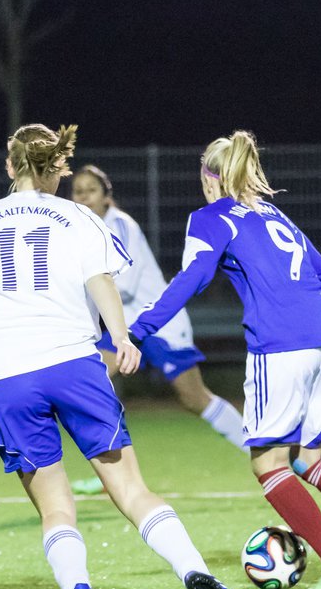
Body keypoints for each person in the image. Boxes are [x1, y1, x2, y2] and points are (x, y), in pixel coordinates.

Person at [0, 123, 258, 589]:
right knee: (132, 490)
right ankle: (194, 571)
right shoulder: (77, 217)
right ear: (58, 169)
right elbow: (102, 282)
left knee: (55, 503)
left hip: (4, 375)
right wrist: (122, 338)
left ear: (10, 166)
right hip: (72, 363)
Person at [130, 130, 321, 589]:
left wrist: (137, 330)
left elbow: (193, 278)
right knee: (308, 458)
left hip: (281, 348)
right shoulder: (276, 216)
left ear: (210, 180)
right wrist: (310, 330)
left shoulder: (211, 217)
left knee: (269, 466)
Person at [65, 165, 246, 497]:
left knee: (194, 398)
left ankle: (263, 452)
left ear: (107, 196)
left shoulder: (119, 225)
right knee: (93, 384)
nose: (83, 196)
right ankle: (114, 471)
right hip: (125, 328)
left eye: (91, 190)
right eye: (77, 191)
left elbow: (125, 283)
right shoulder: (81, 232)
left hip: (158, 323)